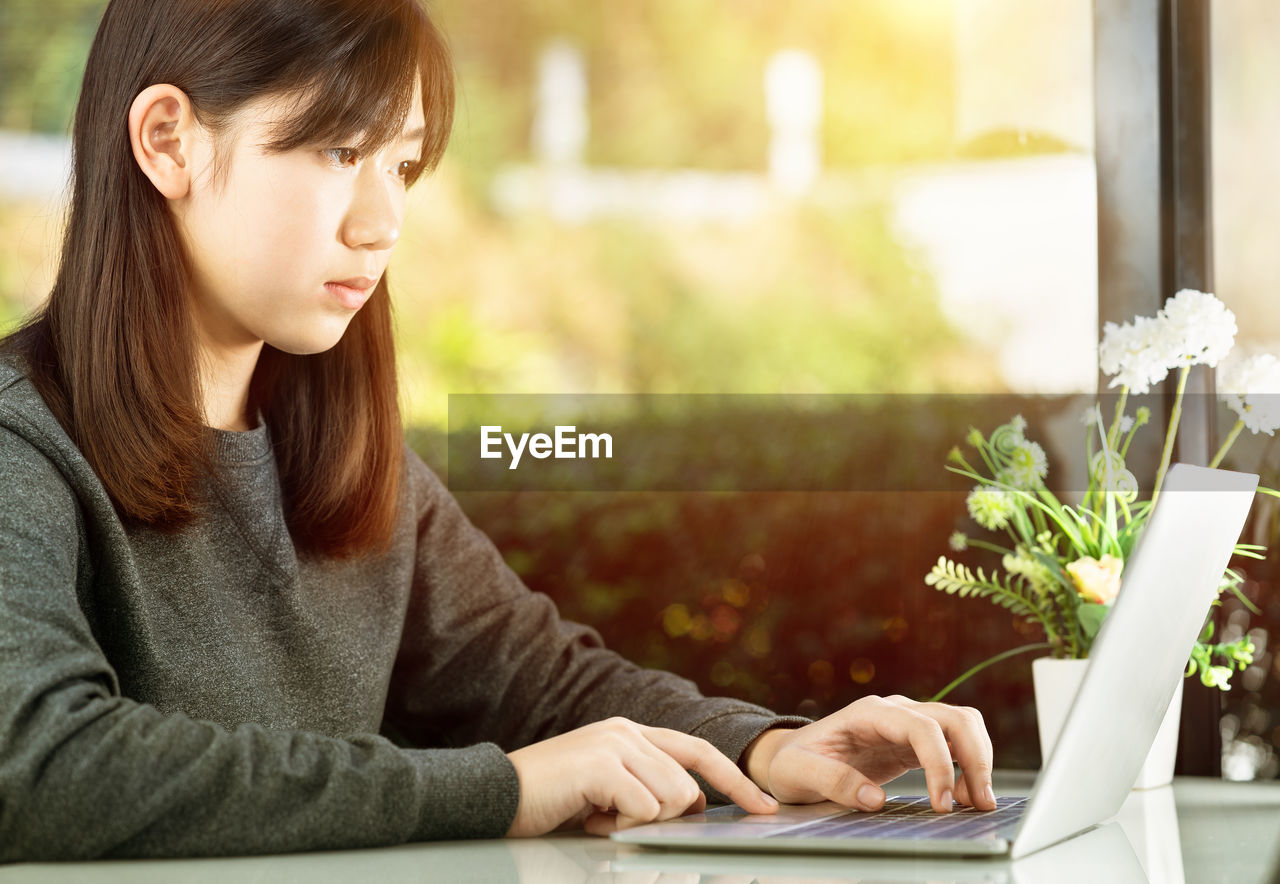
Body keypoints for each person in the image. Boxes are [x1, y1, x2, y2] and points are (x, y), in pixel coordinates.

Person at [0, 0, 996, 863]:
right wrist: (504, 788)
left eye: (402, 163)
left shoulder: (350, 458)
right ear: (168, 140)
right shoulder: (21, 440)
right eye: (339, 151)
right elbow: (41, 765)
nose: (381, 219)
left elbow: (537, 678)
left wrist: (765, 747)